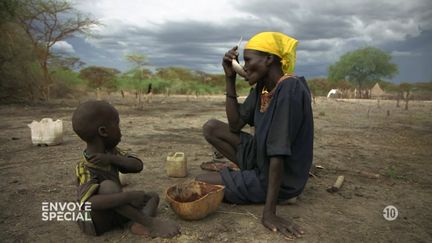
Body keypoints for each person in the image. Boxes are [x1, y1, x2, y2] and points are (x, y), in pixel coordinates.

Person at [196, 32, 313, 239]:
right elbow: (235, 124)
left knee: (201, 181)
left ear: (268, 59)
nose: (245, 66)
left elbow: (278, 152)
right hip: (262, 158)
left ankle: (280, 195)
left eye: (249, 60)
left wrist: (269, 213)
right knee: (212, 128)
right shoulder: (263, 87)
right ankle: (249, 179)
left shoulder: (290, 89)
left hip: (279, 174)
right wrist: (229, 78)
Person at [72, 100, 180, 238]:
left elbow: (137, 166)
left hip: (118, 212)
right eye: (117, 124)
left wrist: (112, 159)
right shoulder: (84, 167)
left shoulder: (112, 152)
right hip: (96, 222)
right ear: (103, 131)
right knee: (108, 187)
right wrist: (129, 196)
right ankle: (149, 222)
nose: (120, 129)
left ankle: (136, 224)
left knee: (152, 197)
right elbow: (88, 202)